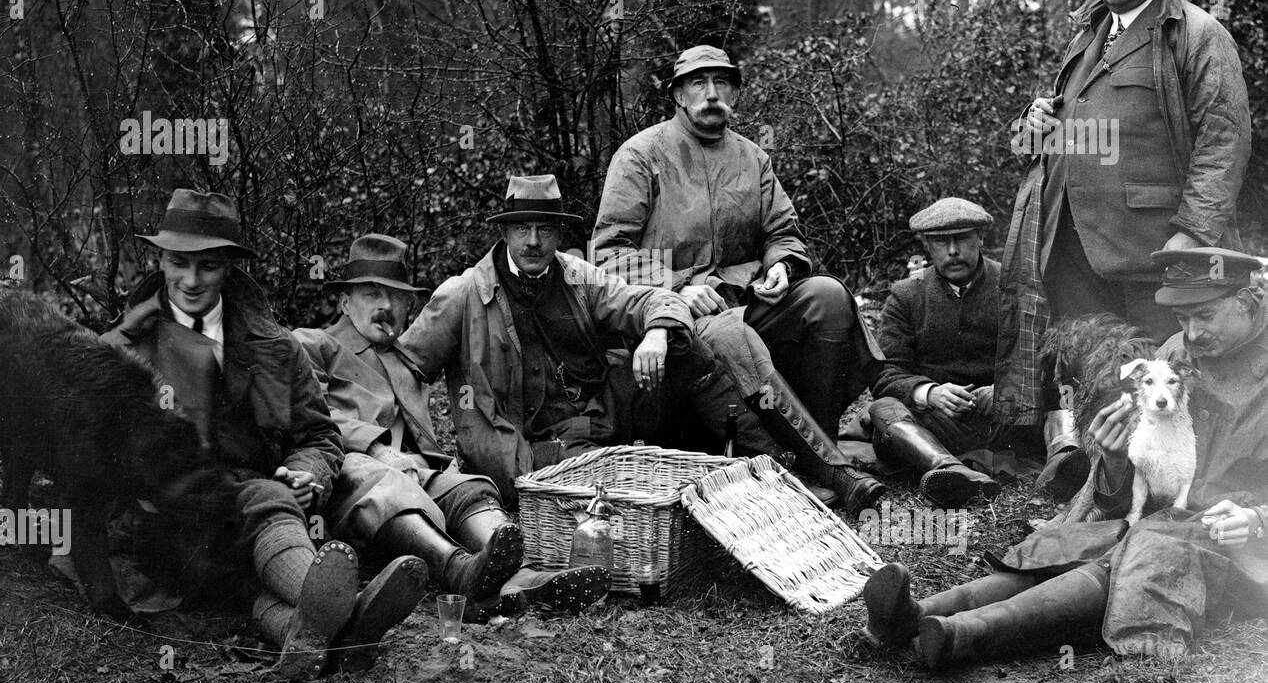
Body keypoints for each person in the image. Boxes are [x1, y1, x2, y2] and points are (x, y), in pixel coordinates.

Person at [862, 248, 1268, 669]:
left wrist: (1257, 520)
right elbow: (1128, 491)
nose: (1192, 334)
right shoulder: (1176, 354)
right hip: (1161, 518)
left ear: (1244, 300)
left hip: (1239, 550)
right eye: (1183, 320)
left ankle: (963, 635)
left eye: (1204, 315)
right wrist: (1114, 460)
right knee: (1075, 542)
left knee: (1142, 555)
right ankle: (913, 615)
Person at [398, 174, 870, 509]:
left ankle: (780, 469)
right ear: (503, 232)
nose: (534, 241)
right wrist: (426, 460)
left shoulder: (576, 276)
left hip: (605, 422)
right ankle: (777, 480)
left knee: (694, 344)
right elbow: (405, 370)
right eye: (522, 228)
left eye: (545, 228)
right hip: (533, 451)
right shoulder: (462, 295)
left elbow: (648, 300)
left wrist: (659, 333)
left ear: (560, 233)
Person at [102, 189, 422, 679]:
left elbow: (319, 435)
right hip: (158, 525)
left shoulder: (274, 345)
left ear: (229, 267)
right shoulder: (119, 352)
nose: (191, 280)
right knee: (258, 507)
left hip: (247, 527)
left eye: (208, 266)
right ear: (160, 260)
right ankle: (351, 609)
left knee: (261, 529)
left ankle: (313, 627)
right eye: (178, 263)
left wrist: (304, 471)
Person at [592, 44, 886, 510]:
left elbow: (784, 232)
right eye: (698, 84)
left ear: (735, 93)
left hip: (746, 299)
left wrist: (781, 267)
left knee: (827, 296)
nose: (711, 94)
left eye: (722, 83)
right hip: (675, 317)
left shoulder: (753, 158)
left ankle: (819, 443)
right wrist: (677, 288)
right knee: (730, 334)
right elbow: (608, 252)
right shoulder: (641, 155)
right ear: (678, 95)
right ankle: (823, 470)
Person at [997, 0, 1251, 434]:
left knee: (1167, 374)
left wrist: (1193, 232)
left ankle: (1174, 493)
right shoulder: (1088, 36)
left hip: (1152, 247)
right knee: (1096, 365)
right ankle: (1100, 474)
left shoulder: (1198, 34)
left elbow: (1224, 141)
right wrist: (1039, 116)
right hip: (1071, 243)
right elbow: (1072, 119)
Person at [293, 234, 609, 618]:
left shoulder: (406, 362)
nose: (385, 307)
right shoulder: (312, 344)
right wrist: (376, 450)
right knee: (387, 483)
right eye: (371, 295)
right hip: (349, 475)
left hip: (414, 474)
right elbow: (310, 418)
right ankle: (458, 569)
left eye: (395, 297)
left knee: (468, 489)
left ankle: (521, 577)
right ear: (344, 302)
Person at [863, 197, 1002, 506]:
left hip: (1002, 420)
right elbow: (886, 374)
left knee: (1060, 395)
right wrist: (930, 393)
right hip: (937, 425)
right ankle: (948, 470)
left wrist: (1004, 390)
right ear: (927, 245)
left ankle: (1064, 455)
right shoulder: (906, 295)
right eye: (941, 242)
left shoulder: (1009, 286)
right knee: (884, 408)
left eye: (963, 239)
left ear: (981, 237)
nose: (953, 251)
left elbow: (1038, 358)